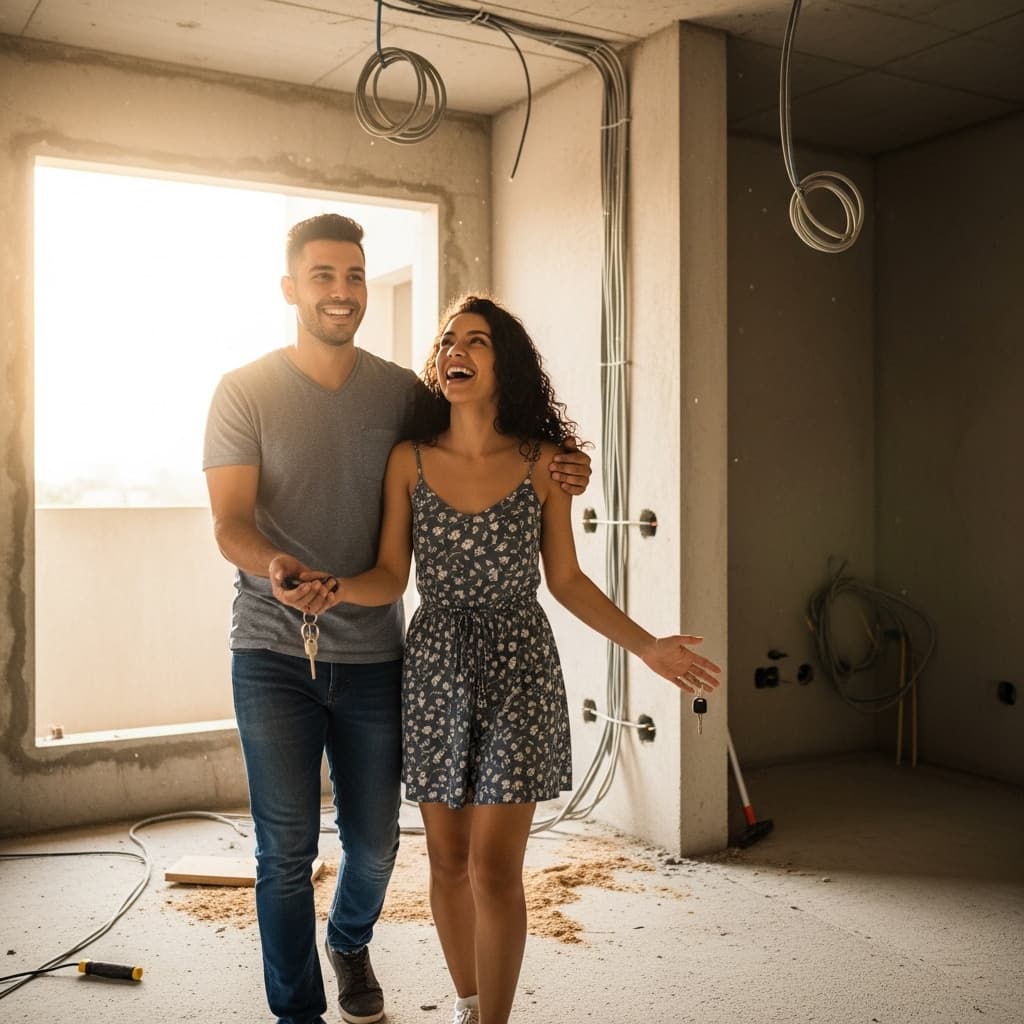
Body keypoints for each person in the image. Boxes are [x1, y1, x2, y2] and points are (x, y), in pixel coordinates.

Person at [203, 218, 592, 1024]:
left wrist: (568, 463)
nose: (340, 291)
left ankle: (350, 939)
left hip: (378, 655)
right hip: (273, 649)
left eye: (353, 275)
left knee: (378, 846)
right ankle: (299, 1013)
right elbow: (230, 521)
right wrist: (275, 568)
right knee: (284, 855)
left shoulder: (400, 394)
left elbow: (485, 423)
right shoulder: (242, 390)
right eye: (321, 276)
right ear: (290, 288)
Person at [311, 295, 723, 1024]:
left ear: (505, 363)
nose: (454, 350)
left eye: (475, 340)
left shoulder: (543, 464)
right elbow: (391, 577)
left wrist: (647, 647)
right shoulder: (407, 461)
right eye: (446, 341)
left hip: (519, 669)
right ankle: (471, 1003)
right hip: (434, 669)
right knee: (444, 863)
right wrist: (334, 589)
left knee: (494, 870)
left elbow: (564, 580)